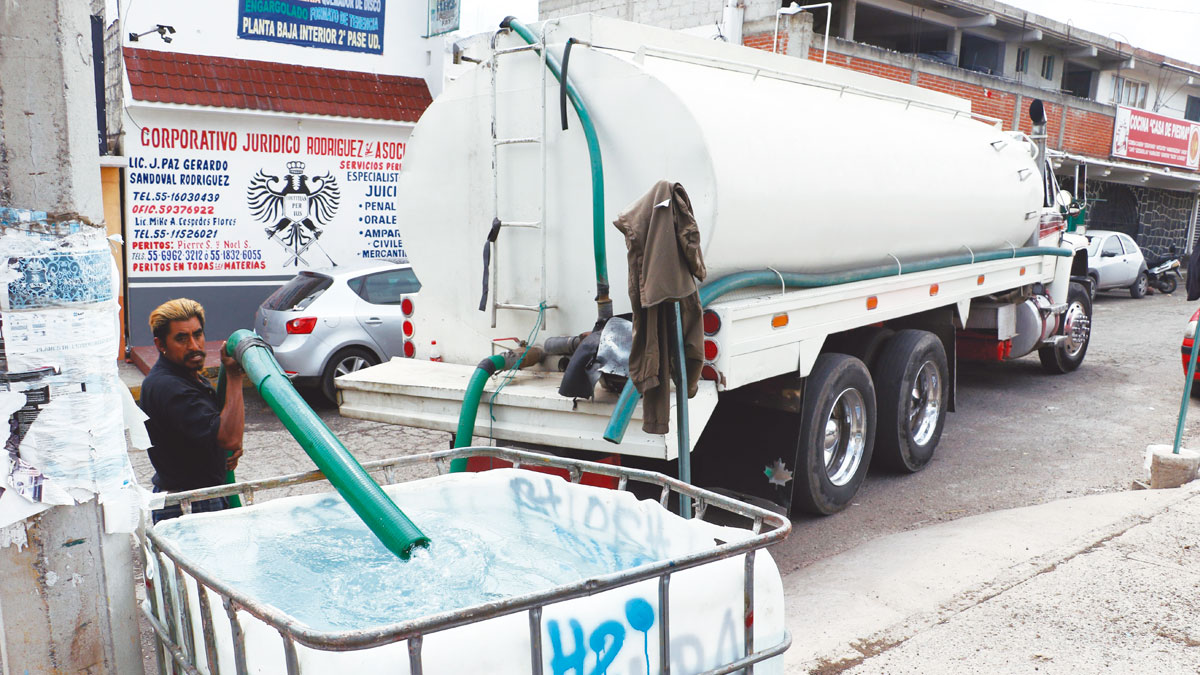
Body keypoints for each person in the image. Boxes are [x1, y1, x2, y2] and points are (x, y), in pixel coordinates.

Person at [140, 299, 245, 523]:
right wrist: (235, 376)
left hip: (199, 498)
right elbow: (229, 438)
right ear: (160, 344)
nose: (194, 346)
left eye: (197, 335)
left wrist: (222, 451)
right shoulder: (169, 386)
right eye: (181, 338)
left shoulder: (187, 377)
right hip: (190, 504)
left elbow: (216, 431)